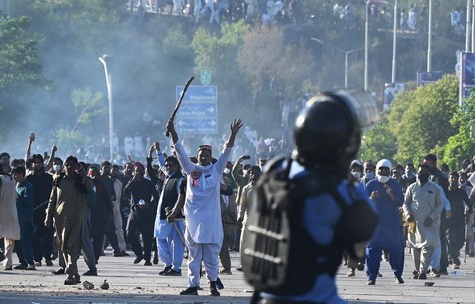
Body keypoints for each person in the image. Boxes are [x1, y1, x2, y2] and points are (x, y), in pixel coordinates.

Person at [241, 91, 379, 303]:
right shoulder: (346, 191)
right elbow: (360, 244)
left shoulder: (275, 171)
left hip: (266, 296)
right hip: (316, 298)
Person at [166, 118, 243, 297]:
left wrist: (233, 134)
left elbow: (227, 151)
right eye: (200, 155)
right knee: (193, 256)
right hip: (193, 221)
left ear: (210, 157)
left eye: (206, 155)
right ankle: (193, 286)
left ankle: (212, 285)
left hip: (211, 222)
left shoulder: (216, 170)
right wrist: (173, 131)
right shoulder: (190, 169)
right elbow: (179, 150)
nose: (202, 157)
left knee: (210, 256)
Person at [45, 156, 94, 285]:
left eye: (73, 165)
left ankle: (70, 274)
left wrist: (83, 174)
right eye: (68, 165)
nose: (70, 168)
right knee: (63, 247)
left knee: (72, 246)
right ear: (64, 166)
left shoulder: (79, 180)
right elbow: (52, 200)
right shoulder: (58, 180)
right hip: (60, 219)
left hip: (76, 219)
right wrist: (48, 216)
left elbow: (90, 187)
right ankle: (75, 273)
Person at [365, 159, 405, 285]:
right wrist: (371, 198)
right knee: (372, 251)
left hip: (392, 223)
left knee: (397, 249)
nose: (383, 171)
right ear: (377, 170)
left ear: (389, 171)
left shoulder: (395, 184)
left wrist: (390, 194)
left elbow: (400, 201)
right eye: (381, 169)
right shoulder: (370, 184)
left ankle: (397, 274)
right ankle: (371, 277)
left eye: (386, 169)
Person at [403, 164, 444, 280]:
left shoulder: (435, 188)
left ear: (429, 174)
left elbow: (440, 204)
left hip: (430, 224)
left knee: (428, 247)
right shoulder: (411, 187)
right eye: (421, 172)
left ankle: (423, 271)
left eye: (425, 172)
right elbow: (405, 203)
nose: (423, 174)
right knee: (415, 247)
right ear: (418, 172)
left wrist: (432, 217)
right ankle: (418, 270)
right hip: (414, 223)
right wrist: (408, 214)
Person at [124, 162, 159, 266]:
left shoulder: (149, 183)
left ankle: (147, 258)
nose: (138, 173)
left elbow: (156, 197)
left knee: (147, 237)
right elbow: (125, 193)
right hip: (134, 212)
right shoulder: (132, 182)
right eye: (136, 171)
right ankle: (139, 254)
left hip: (147, 213)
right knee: (129, 233)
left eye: (140, 171)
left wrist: (149, 205)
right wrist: (132, 181)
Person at [26, 154, 54, 267]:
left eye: (39, 162)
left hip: (47, 209)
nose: (37, 164)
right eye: (35, 162)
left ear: (43, 163)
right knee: (35, 235)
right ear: (32, 164)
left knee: (48, 234)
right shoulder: (29, 178)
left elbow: (53, 194)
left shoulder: (48, 177)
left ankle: (48, 257)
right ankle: (37, 258)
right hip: (33, 211)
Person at [12, 166, 36, 270]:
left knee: (25, 241)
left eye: (17, 174)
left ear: (23, 174)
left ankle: (30, 262)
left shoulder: (28, 187)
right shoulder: (16, 186)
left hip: (25, 219)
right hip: (16, 218)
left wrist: (18, 197)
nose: (15, 177)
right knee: (17, 242)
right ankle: (22, 262)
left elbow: (27, 200)